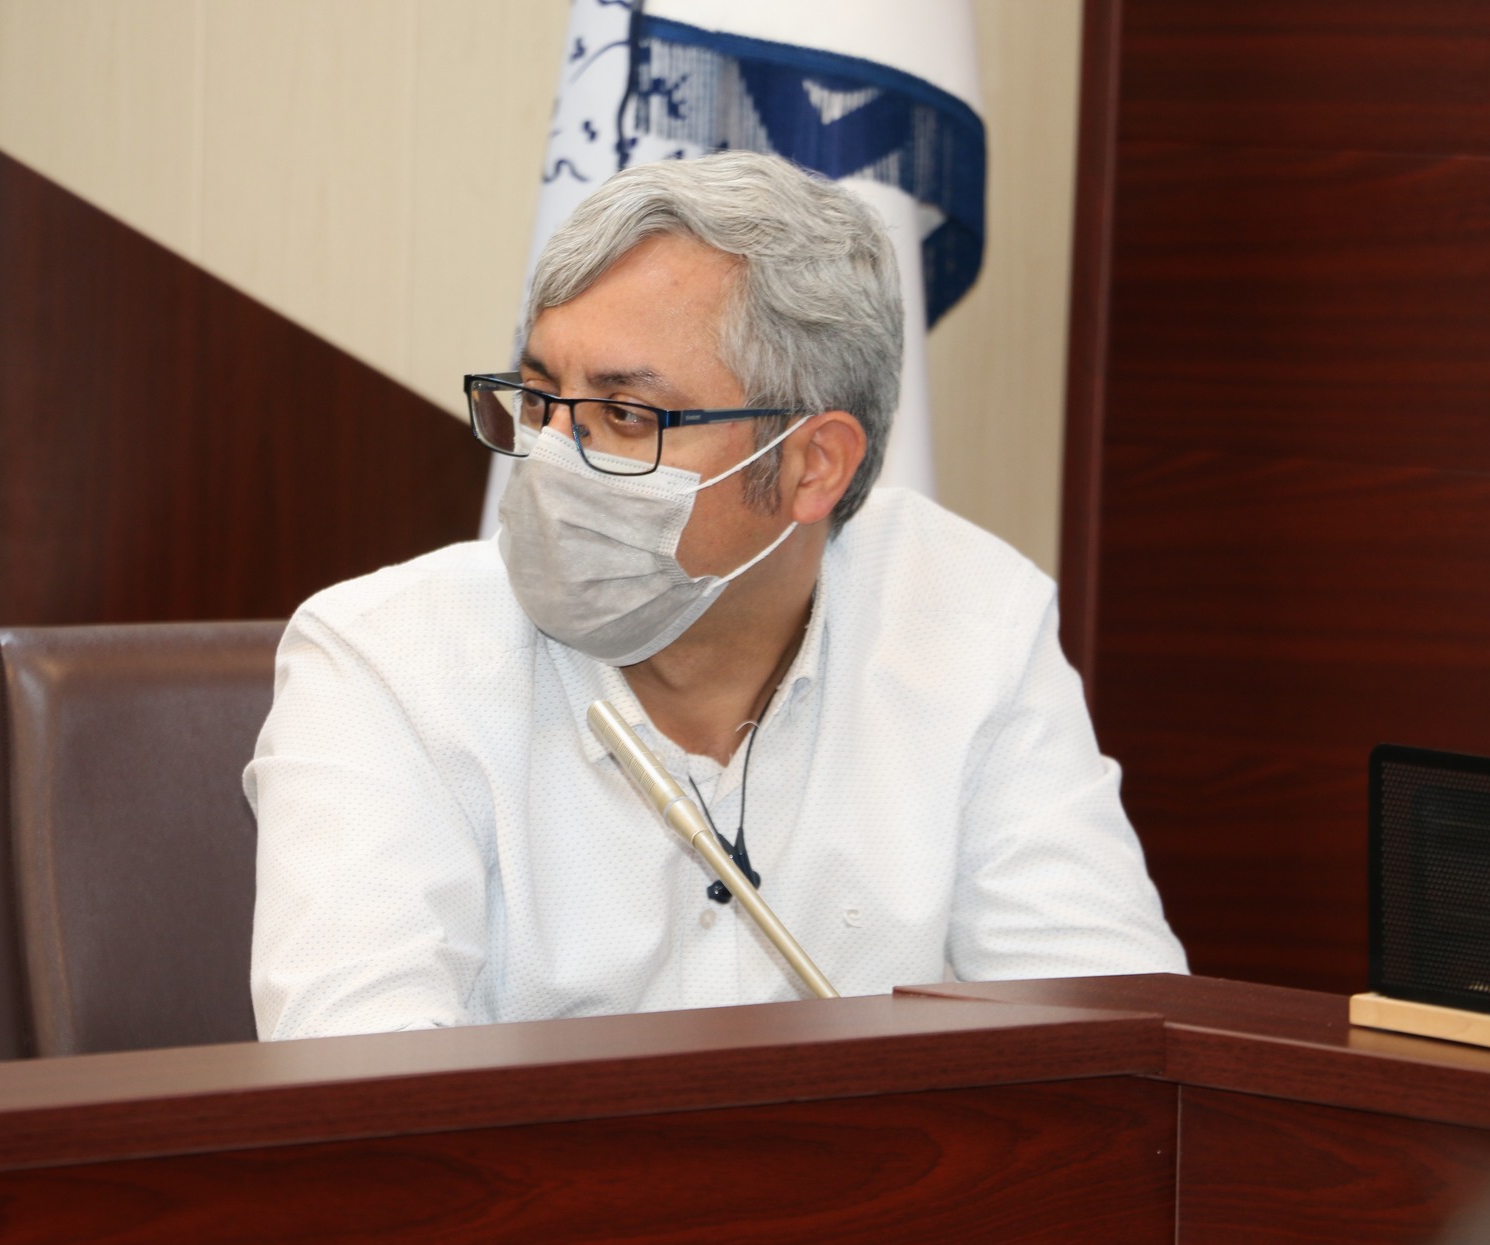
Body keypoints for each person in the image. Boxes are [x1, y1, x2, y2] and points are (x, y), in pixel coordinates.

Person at [246, 151, 1184, 1038]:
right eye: (537, 400)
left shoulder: (969, 621)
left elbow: (1113, 1038)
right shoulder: (385, 660)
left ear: (814, 464)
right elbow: (361, 1086)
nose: (552, 462)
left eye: (625, 415)